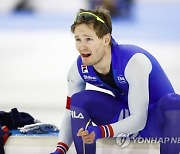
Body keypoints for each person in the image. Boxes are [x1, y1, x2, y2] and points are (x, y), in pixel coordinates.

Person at [51, 6, 180, 154]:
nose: (82, 46)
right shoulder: (78, 69)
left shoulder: (134, 62)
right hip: (125, 120)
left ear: (106, 39)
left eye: (89, 39)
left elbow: (139, 119)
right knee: (79, 100)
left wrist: (101, 131)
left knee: (175, 102)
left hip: (156, 124)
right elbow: (69, 114)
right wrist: (60, 150)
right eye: (78, 39)